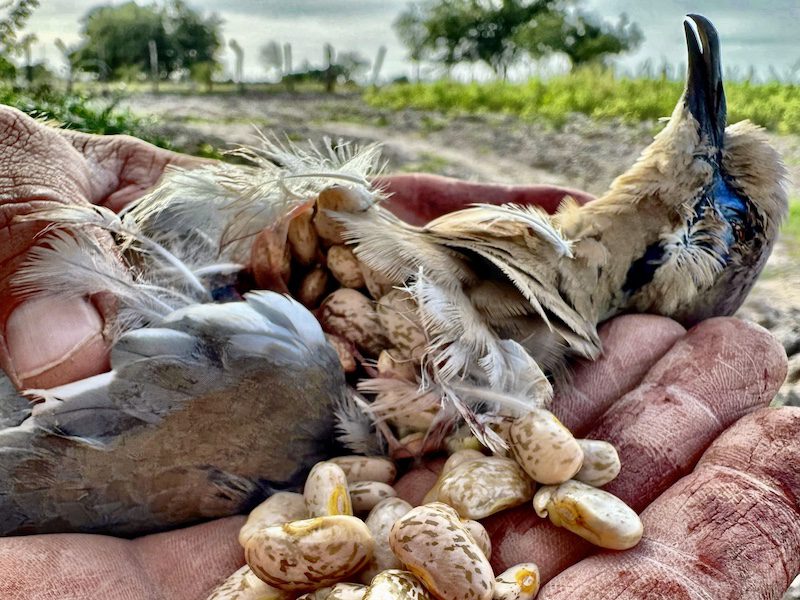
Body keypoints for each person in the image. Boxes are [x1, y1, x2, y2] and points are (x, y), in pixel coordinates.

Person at [0, 106, 796, 599]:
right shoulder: (381, 255)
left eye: (718, 205)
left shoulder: (482, 384)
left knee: (277, 365)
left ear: (674, 255)